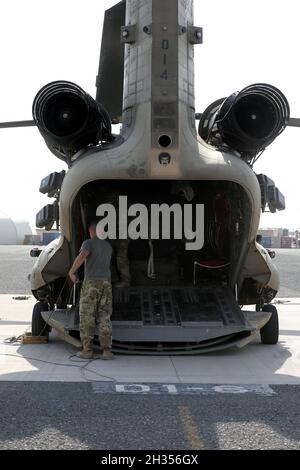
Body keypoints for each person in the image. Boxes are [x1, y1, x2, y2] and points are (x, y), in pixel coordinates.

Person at [68, 220, 114, 360]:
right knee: (104, 316)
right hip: (106, 284)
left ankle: (87, 350)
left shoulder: (88, 243)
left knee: (87, 316)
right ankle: (106, 351)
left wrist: (71, 272)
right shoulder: (108, 246)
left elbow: (82, 256)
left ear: (91, 231)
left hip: (92, 283)